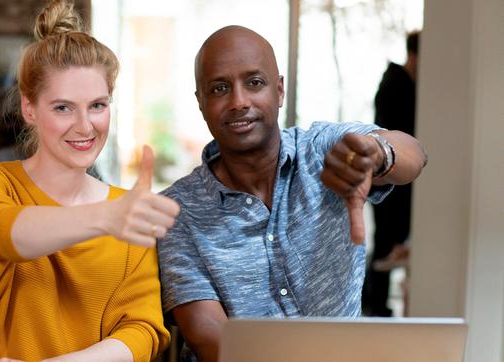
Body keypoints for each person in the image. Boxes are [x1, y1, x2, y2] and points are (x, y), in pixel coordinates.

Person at [157, 25, 428, 362]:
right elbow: (209, 337)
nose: (239, 101)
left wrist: (379, 155)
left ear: (280, 91)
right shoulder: (176, 210)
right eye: (219, 88)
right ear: (201, 101)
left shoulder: (324, 150)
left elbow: (413, 154)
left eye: (254, 83)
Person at [0, 1, 179, 361]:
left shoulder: (126, 211)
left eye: (98, 106)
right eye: (63, 107)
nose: (85, 126)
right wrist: (105, 218)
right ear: (29, 109)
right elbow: (2, 232)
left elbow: (141, 331)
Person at [362, 31, 420, 317]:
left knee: (388, 246)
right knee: (385, 246)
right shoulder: (395, 84)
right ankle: (376, 308)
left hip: (398, 180)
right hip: (387, 179)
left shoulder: (406, 84)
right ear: (414, 55)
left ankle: (377, 305)